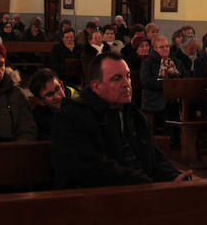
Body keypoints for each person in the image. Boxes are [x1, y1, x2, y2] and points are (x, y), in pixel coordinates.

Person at [51, 52, 190, 188]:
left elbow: (154, 158)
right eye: (117, 78)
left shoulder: (134, 115)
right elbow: (90, 168)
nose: (126, 84)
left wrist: (174, 177)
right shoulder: (72, 116)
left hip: (141, 191)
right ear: (96, 86)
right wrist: (147, 185)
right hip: (96, 199)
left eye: (128, 76)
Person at [140, 34, 185, 123]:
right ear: (155, 49)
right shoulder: (148, 63)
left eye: (167, 46)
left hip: (175, 99)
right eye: (162, 47)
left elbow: (184, 77)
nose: (165, 49)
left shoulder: (176, 62)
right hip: (156, 99)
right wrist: (166, 84)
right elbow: (146, 82)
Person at [29, 67, 74, 140]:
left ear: (62, 85)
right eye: (49, 94)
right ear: (40, 101)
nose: (56, 96)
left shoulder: (78, 102)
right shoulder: (37, 120)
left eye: (57, 89)